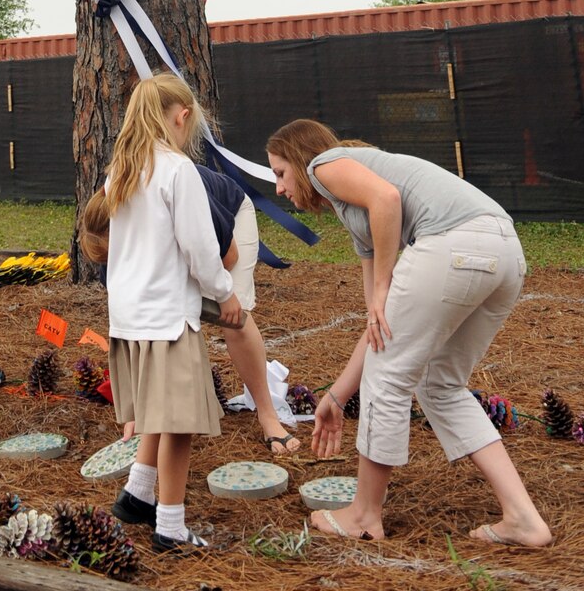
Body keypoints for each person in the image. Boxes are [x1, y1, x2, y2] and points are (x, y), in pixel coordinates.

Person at [266, 117, 552, 549]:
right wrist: (335, 396)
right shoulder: (358, 214)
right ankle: (523, 519)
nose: (280, 188)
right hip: (505, 250)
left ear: (300, 157)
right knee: (439, 385)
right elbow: (378, 327)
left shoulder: (323, 164)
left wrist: (385, 284)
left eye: (280, 172)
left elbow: (387, 197)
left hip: (454, 243)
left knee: (389, 378)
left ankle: (363, 515)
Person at [80, 109, 300, 456]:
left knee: (234, 318)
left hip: (226, 228)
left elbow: (224, 258)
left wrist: (219, 296)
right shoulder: (120, 231)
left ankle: (268, 415)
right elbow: (137, 326)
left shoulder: (182, 181)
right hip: (181, 248)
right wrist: (135, 411)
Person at [100, 72, 243, 554]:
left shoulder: (120, 169)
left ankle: (138, 496)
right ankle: (172, 527)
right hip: (166, 316)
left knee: (159, 409)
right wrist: (225, 293)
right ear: (181, 117)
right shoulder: (177, 170)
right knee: (179, 422)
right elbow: (202, 250)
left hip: (130, 315)